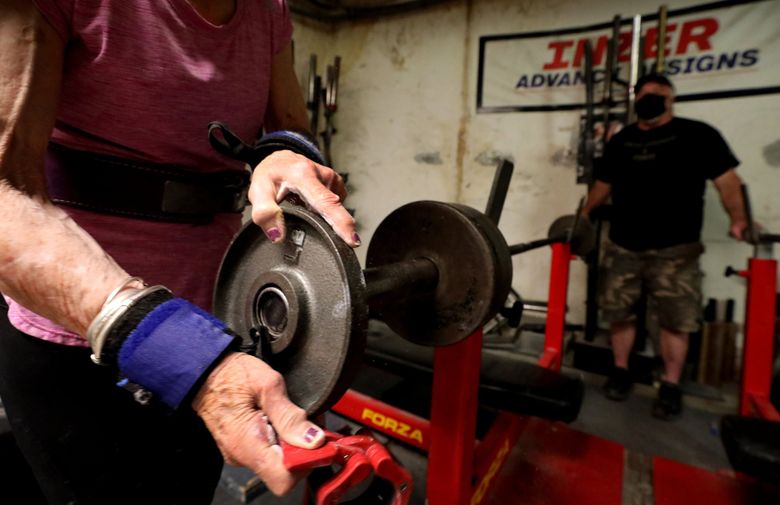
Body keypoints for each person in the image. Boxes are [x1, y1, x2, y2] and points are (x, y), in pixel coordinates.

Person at [0, 1, 361, 503]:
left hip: (218, 328)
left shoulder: (268, 10)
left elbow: (290, 130)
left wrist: (285, 155)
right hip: (73, 345)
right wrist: (186, 356)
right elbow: (4, 195)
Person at [582, 73, 747, 420]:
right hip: (623, 244)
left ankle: (670, 385)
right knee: (618, 313)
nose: (651, 99)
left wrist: (739, 219)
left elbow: (728, 181)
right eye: (644, 94)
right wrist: (583, 214)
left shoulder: (698, 134)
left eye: (658, 94)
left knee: (675, 321)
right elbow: (603, 183)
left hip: (676, 249)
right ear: (636, 100)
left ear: (671, 99)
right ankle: (621, 370)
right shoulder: (622, 140)